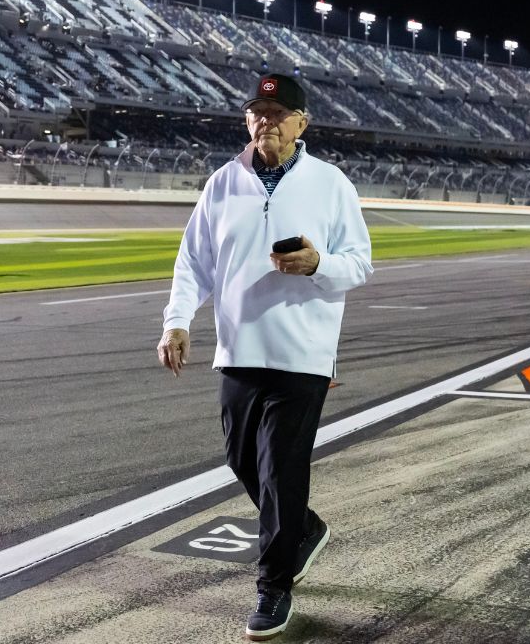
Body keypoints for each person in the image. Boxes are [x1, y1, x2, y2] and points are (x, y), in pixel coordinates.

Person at [156, 73, 373, 641]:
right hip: (239, 350)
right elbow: (193, 261)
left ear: (302, 123)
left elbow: (360, 264)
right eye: (257, 112)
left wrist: (318, 264)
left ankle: (273, 586)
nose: (265, 122)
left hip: (302, 355)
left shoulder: (331, 184)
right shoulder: (224, 182)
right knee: (242, 459)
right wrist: (177, 321)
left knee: (280, 466)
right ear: (246, 120)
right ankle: (303, 527)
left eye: (278, 114)